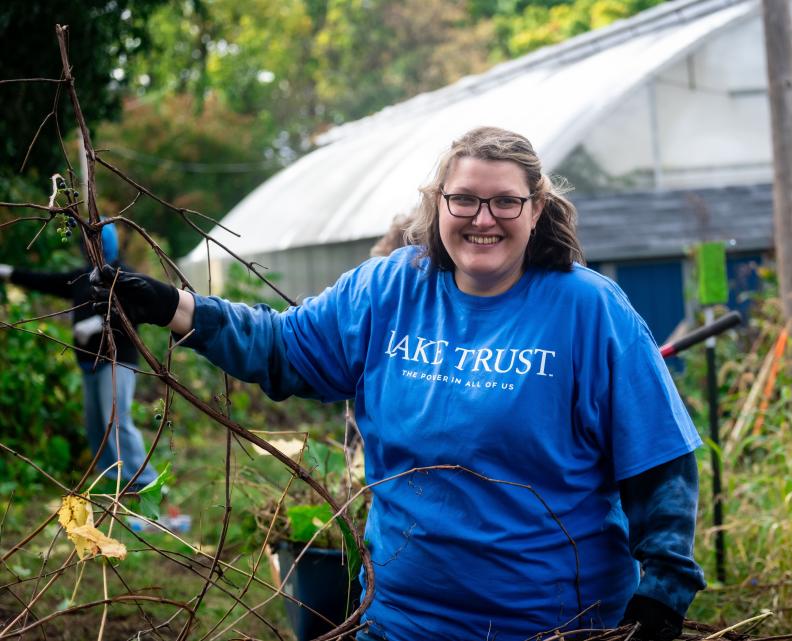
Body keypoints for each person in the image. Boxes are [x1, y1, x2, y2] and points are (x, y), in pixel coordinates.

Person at [91, 127, 706, 640]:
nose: (482, 219)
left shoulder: (589, 310)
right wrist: (171, 305)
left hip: (555, 624)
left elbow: (660, 464)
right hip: (399, 621)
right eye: (463, 199)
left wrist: (662, 596)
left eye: (505, 202)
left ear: (536, 209)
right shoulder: (389, 289)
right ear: (437, 203)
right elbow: (283, 348)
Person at [0, 223, 159, 492]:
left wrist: (100, 324)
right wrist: (10, 273)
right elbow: (47, 281)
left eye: (94, 241)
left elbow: (138, 307)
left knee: (116, 422)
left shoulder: (123, 275)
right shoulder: (84, 276)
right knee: (97, 426)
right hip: (89, 362)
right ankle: (114, 481)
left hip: (117, 359)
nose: (89, 247)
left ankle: (145, 485)